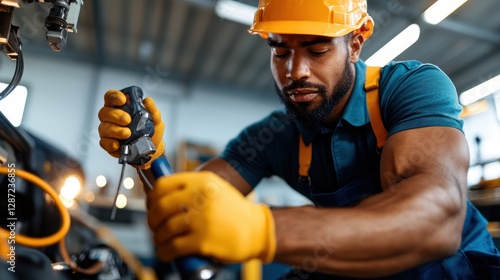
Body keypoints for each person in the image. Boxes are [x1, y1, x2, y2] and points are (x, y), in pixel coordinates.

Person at [98, 0, 500, 278]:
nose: (296, 71)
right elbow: (187, 213)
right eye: (280, 51)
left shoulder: (411, 88)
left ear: (355, 43)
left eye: (317, 49)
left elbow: (438, 220)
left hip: (452, 270)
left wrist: (261, 229)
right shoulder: (274, 137)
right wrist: (147, 158)